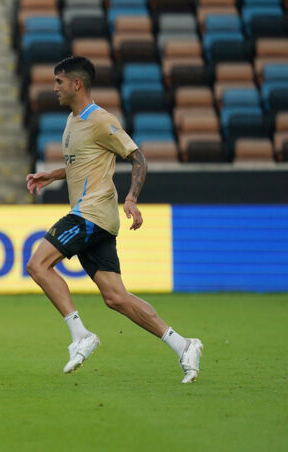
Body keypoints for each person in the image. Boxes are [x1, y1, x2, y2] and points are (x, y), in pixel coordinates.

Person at [25, 56, 203, 383]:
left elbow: (137, 157)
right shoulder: (73, 120)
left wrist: (132, 198)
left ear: (77, 84)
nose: (55, 88)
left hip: (90, 213)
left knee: (38, 265)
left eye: (59, 82)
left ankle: (80, 334)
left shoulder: (100, 120)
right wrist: (52, 175)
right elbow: (86, 163)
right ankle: (184, 344)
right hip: (96, 218)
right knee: (115, 297)